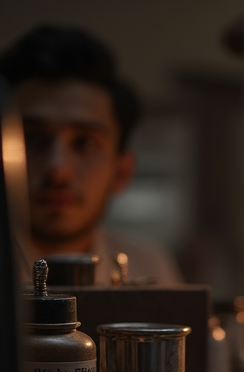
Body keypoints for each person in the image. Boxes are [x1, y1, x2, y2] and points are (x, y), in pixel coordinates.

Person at [0, 24, 182, 285]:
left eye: (85, 143)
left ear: (122, 172)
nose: (58, 169)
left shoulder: (150, 267)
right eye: (34, 139)